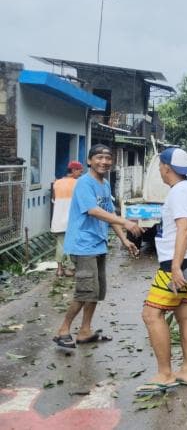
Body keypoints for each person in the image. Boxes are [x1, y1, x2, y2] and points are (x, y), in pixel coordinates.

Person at [52, 144, 142, 349]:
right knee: (85, 291)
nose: (104, 161)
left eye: (108, 158)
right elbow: (93, 210)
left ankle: (85, 331)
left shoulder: (105, 184)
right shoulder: (84, 183)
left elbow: (109, 214)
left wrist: (124, 240)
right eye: (99, 157)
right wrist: (125, 222)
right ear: (89, 161)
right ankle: (63, 330)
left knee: (97, 291)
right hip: (83, 244)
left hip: (98, 244)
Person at [139, 147, 187, 394]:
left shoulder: (178, 192)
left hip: (178, 265)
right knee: (185, 315)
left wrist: (176, 266)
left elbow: (184, 229)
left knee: (151, 314)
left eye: (160, 166)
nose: (160, 170)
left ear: (166, 167)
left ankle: (165, 374)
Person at [51, 161, 83, 277]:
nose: (81, 173)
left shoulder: (57, 183)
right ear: (74, 170)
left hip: (58, 219)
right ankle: (70, 268)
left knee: (60, 244)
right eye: (80, 171)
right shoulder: (78, 183)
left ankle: (59, 270)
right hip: (72, 220)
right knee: (71, 244)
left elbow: (54, 200)